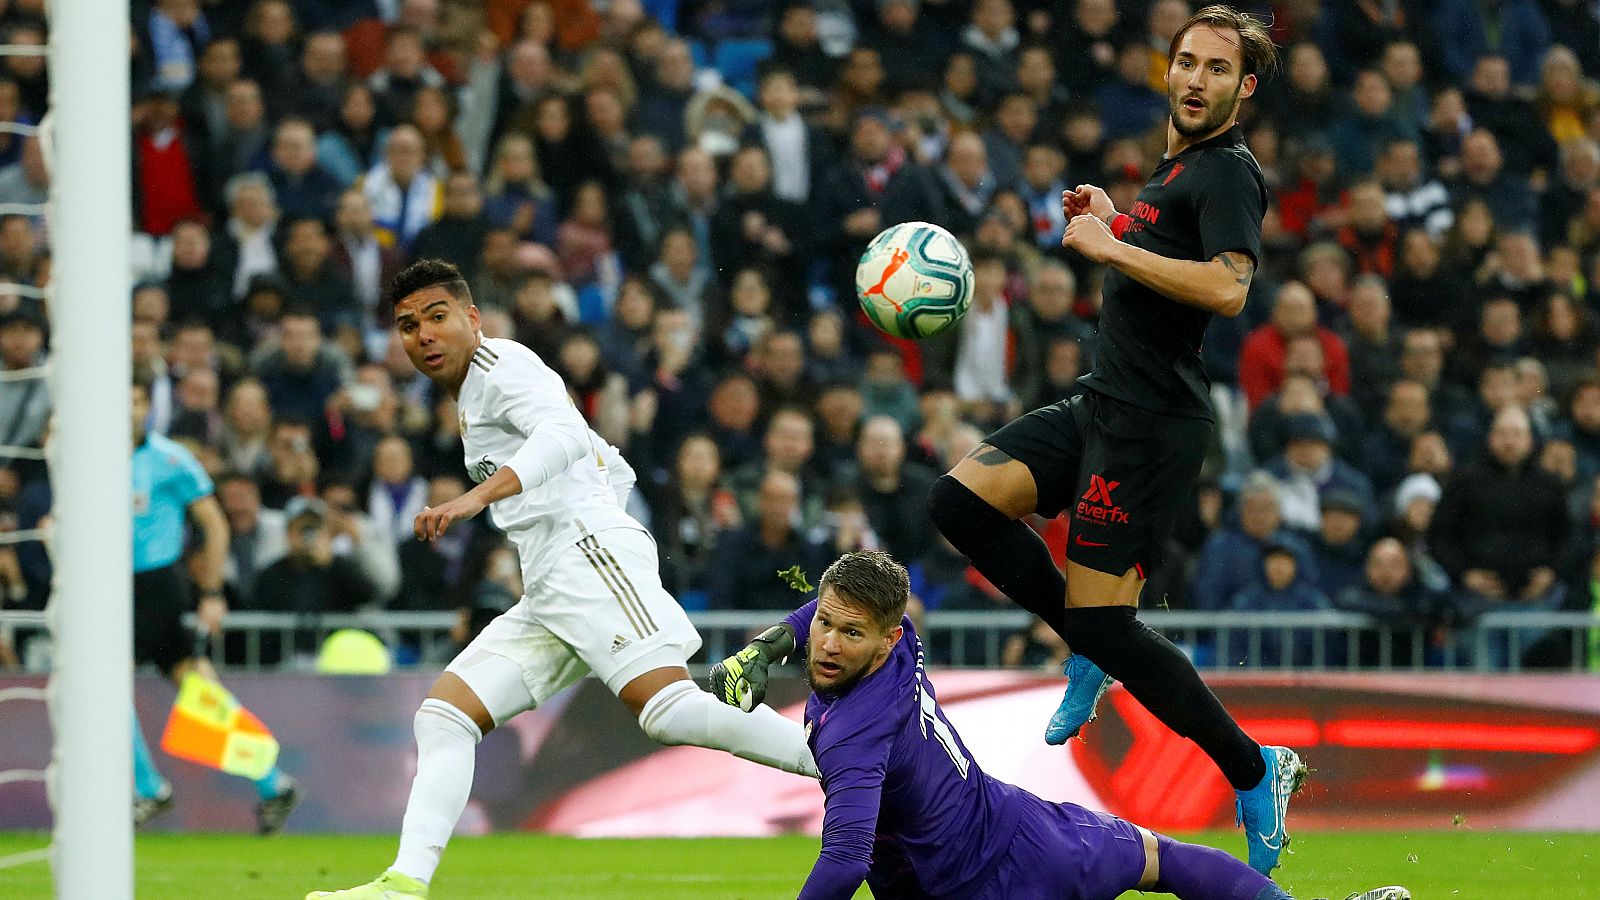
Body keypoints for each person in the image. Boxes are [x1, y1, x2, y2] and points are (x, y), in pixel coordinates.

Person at [922, 5, 1301, 874]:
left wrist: (1110, 247)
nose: (1195, 79)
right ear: (1167, 68)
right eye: (1186, 62)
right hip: (1101, 403)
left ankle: (1255, 766)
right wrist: (1121, 220)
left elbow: (1228, 288)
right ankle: (1093, 645)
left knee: (1104, 623)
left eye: (1216, 68)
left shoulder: (1230, 173)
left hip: (1150, 427)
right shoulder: (1177, 172)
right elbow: (1166, 261)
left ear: (1243, 87)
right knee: (957, 501)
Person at [306, 259, 817, 899]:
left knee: (669, 711)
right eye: (408, 326)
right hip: (549, 584)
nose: (423, 335)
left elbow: (565, 435)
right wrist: (608, 480)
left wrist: (473, 501)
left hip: (589, 555)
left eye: (437, 318)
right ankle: (402, 886)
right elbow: (599, 452)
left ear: (472, 319)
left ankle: (847, 764)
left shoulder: (501, 366)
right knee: (445, 717)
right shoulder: (474, 393)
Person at [709, 550, 1410, 900]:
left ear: (887, 640)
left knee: (1159, 861)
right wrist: (768, 647)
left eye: (849, 634)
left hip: (986, 879)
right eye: (824, 625)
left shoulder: (854, 736)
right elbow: (821, 614)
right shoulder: (904, 643)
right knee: (1158, 861)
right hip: (1010, 821)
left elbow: (843, 861)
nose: (828, 643)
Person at [126, 380, 301, 833]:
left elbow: (214, 525)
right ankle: (272, 783)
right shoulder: (90, 456)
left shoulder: (170, 460)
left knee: (103, 688)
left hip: (155, 585)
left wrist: (211, 593)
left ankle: (149, 790)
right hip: (111, 587)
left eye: (138, 400)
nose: (130, 409)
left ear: (148, 407)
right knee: (199, 691)